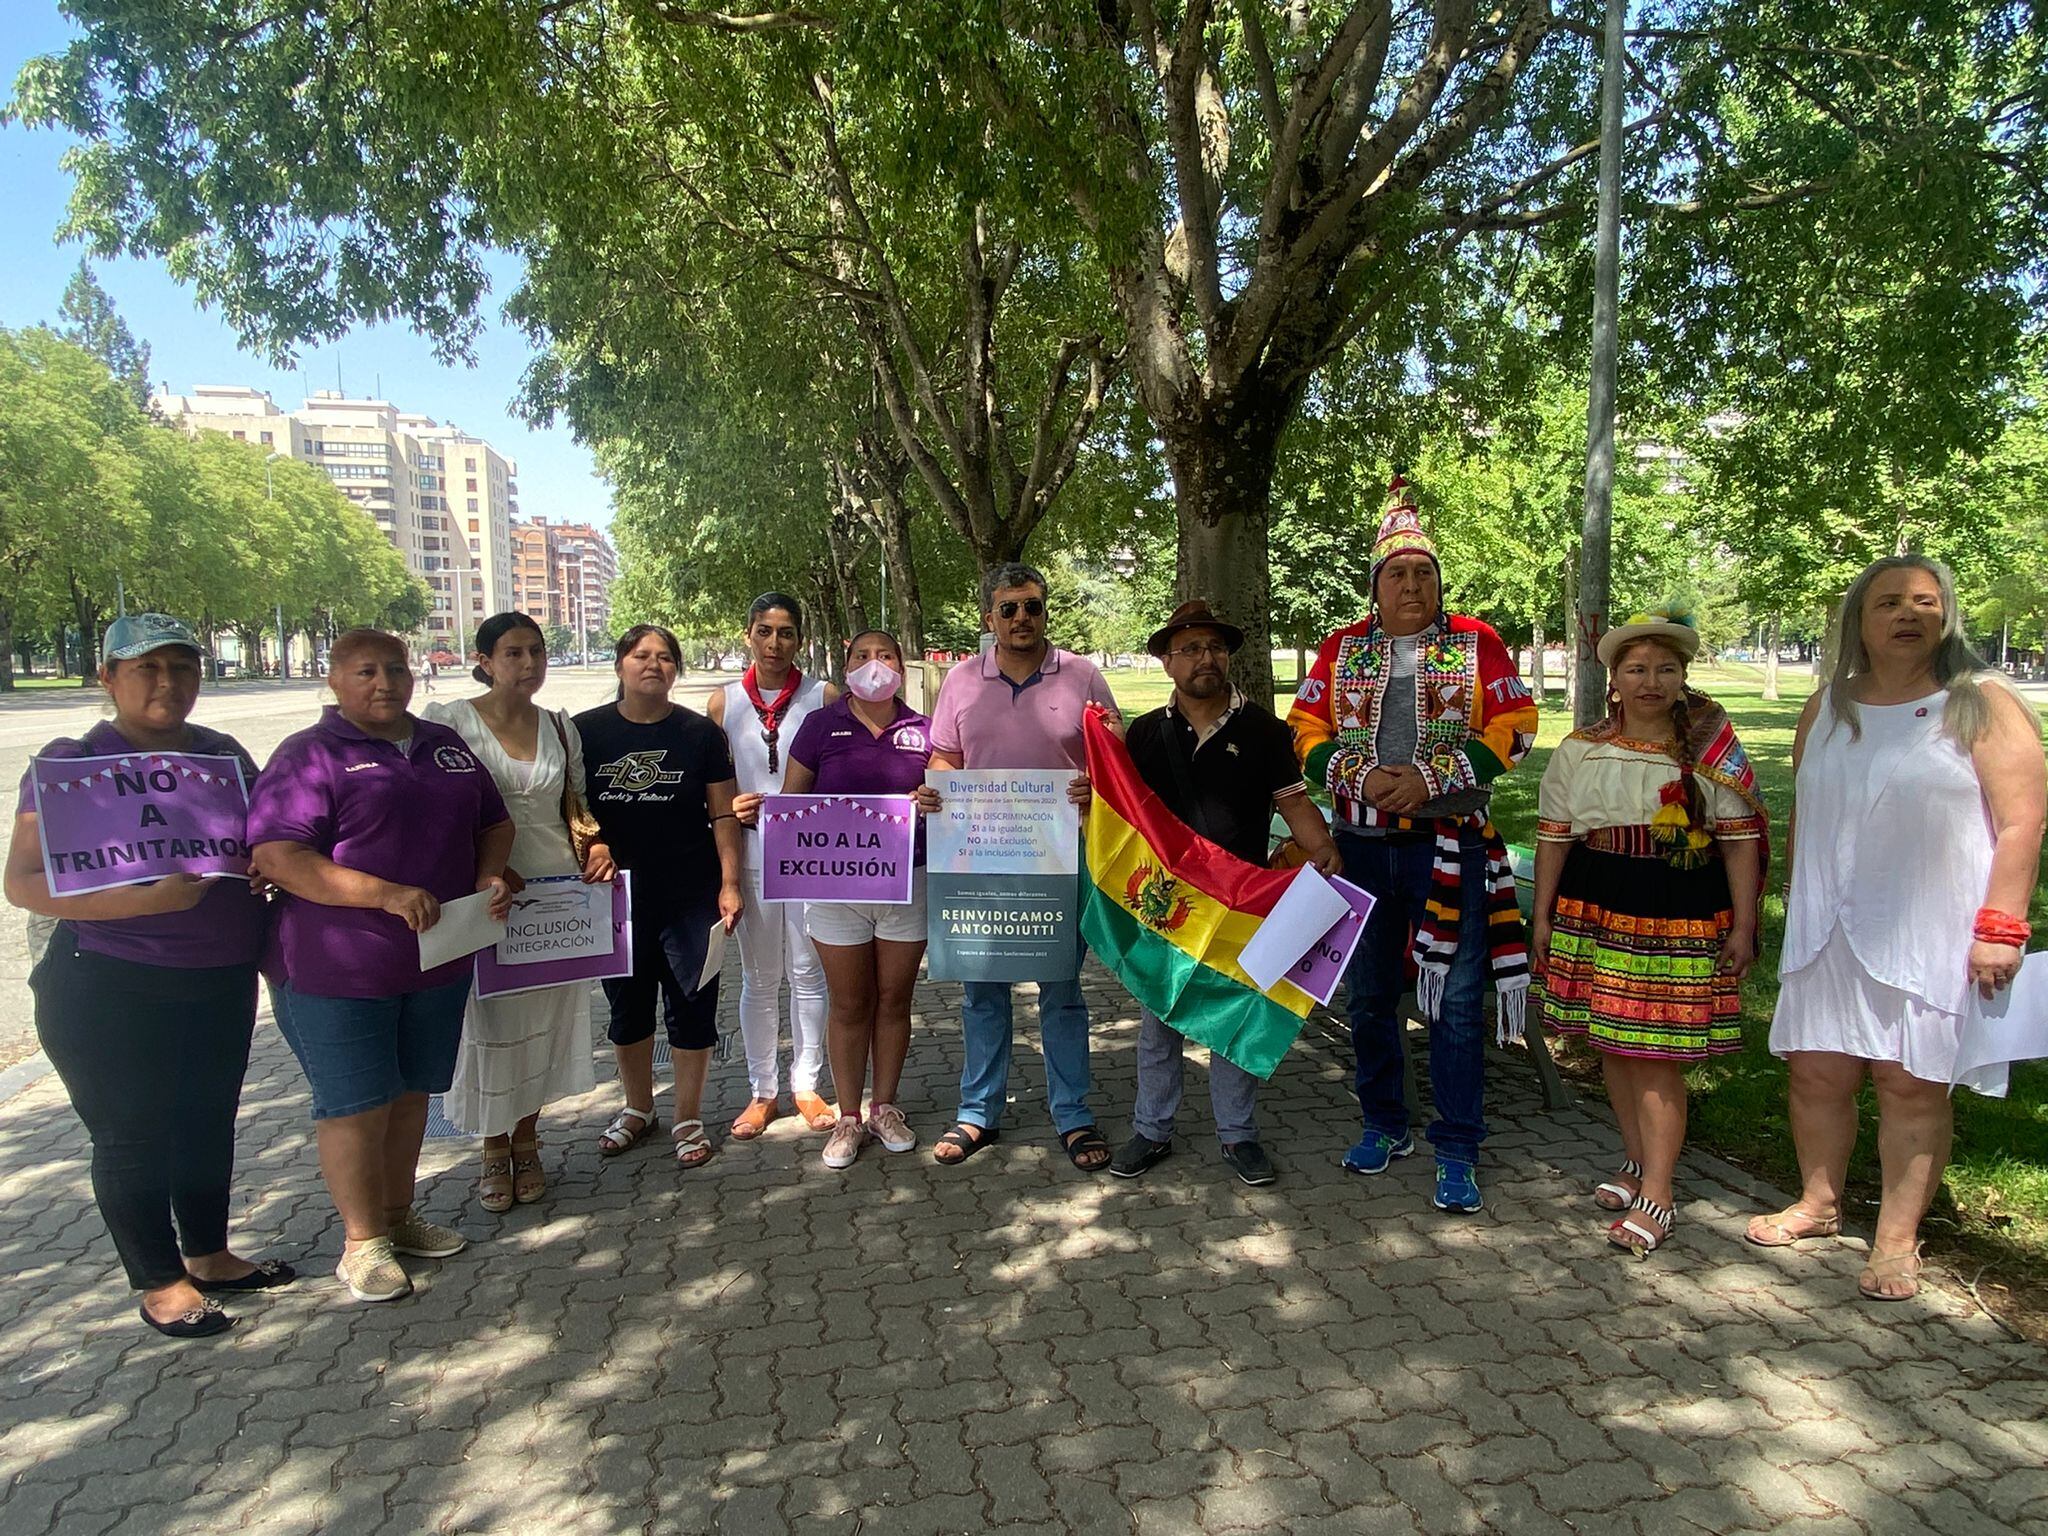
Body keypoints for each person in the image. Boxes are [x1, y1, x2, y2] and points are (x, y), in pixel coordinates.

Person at [1746, 555, 2045, 1300]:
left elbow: (2023, 820)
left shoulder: (1982, 702)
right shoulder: (1827, 706)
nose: (1908, 614)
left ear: (1947, 615)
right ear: (1860, 621)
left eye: (1924, 601)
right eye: (1888, 602)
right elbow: (1808, 809)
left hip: (1930, 927)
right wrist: (1793, 900)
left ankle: (1896, 1240)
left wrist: (2002, 926)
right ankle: (1819, 1204)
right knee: (1817, 1072)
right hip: (1828, 926)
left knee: (1910, 1083)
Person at [3, 614, 291, 1339]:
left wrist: (265, 866)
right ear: (108, 678)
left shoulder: (222, 755)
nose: (168, 683)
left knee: (206, 1122)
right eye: (147, 669)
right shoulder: (71, 765)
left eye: (183, 667)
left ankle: (209, 1254)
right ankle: (160, 1282)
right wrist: (145, 901)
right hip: (108, 981)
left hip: (219, 976)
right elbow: (24, 883)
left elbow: (263, 840)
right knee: (133, 1134)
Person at [1287, 476, 1538, 1214]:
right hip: (1361, 849)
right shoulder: (1342, 647)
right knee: (1369, 998)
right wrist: (1360, 777)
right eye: (1396, 574)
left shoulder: (1476, 642)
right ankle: (1384, 1123)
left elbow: (1519, 725)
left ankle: (1457, 1146)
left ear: (1438, 583)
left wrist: (1432, 777)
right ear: (1375, 586)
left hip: (1448, 847)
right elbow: (1303, 730)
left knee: (1454, 1003)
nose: (1411, 585)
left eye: (1423, 573)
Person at [248, 629, 516, 1304]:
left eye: (396, 669)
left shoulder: (442, 745)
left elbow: (494, 821)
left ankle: (398, 1218)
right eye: (365, 671)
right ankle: (361, 1244)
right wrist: (384, 894)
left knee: (411, 1095)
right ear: (334, 680)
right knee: (355, 1106)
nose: (384, 683)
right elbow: (280, 856)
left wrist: (488, 874)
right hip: (339, 970)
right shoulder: (309, 755)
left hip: (436, 961)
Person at [1530, 608, 1767, 1253]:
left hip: (1676, 904)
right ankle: (1636, 1162)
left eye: (1665, 669)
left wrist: (1745, 923)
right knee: (1614, 1045)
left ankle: (1660, 1192)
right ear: (1614, 679)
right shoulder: (1581, 749)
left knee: (1656, 1052)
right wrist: (1543, 916)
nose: (1650, 682)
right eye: (1636, 669)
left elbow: (1739, 840)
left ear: (1683, 677)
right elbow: (1554, 836)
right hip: (1597, 901)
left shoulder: (1710, 751)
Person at [1109, 601, 1343, 1188]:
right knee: (1159, 1021)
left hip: (1242, 904)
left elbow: (1293, 802)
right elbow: (1124, 811)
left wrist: (1323, 849)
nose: (1205, 658)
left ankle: (1238, 1135)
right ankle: (1151, 1129)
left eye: (1214, 647)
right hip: (1166, 907)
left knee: (1236, 1019)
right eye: (1189, 649)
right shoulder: (1145, 733)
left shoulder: (1264, 730)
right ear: (1167, 662)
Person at [924, 562, 1122, 1169]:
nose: (1021, 618)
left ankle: (1073, 1113)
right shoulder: (961, 681)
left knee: (1062, 989)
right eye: (1008, 608)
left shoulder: (1083, 676)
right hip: (981, 857)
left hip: (1062, 858)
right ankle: (978, 1111)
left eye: (1032, 606)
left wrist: (1097, 785)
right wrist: (938, 789)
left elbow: (1116, 757)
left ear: (1045, 611)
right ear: (989, 617)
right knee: (982, 990)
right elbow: (945, 756)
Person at [421, 613, 599, 1213]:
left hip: (556, 896)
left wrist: (598, 846)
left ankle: (528, 1138)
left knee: (544, 1021)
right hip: (485, 896)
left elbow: (577, 805)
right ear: (485, 661)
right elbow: (435, 809)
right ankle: (492, 1146)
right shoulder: (449, 723)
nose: (528, 664)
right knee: (489, 1023)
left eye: (536, 652)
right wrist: (484, 867)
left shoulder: (560, 726)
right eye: (513, 653)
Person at [575, 624, 745, 1171]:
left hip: (690, 893)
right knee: (626, 1008)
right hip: (615, 897)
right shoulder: (583, 732)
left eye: (666, 656)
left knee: (693, 1005)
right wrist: (594, 843)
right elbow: (571, 810)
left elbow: (723, 813)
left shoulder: (700, 733)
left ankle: (687, 1115)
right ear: (620, 664)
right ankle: (638, 1107)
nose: (654, 664)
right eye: (641, 655)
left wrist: (730, 882)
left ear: (676, 669)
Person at [776, 630, 941, 1169]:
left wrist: (933, 799)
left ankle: (884, 1107)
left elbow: (947, 797)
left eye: (885, 656)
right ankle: (848, 1116)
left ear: (901, 667)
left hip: (907, 883)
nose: (875, 665)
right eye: (863, 657)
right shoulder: (820, 725)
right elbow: (793, 802)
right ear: (846, 668)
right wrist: (762, 815)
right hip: (835, 889)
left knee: (894, 1000)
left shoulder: (924, 729)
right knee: (849, 1004)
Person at [706, 593, 835, 1141]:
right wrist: (725, 808)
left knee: (808, 972)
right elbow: (710, 782)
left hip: (810, 855)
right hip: (751, 853)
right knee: (760, 977)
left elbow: (839, 772)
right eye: (764, 631)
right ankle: (762, 1090)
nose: (774, 643)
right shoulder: (724, 702)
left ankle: (806, 1084)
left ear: (800, 639)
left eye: (786, 633)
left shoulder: (822, 696)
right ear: (748, 635)